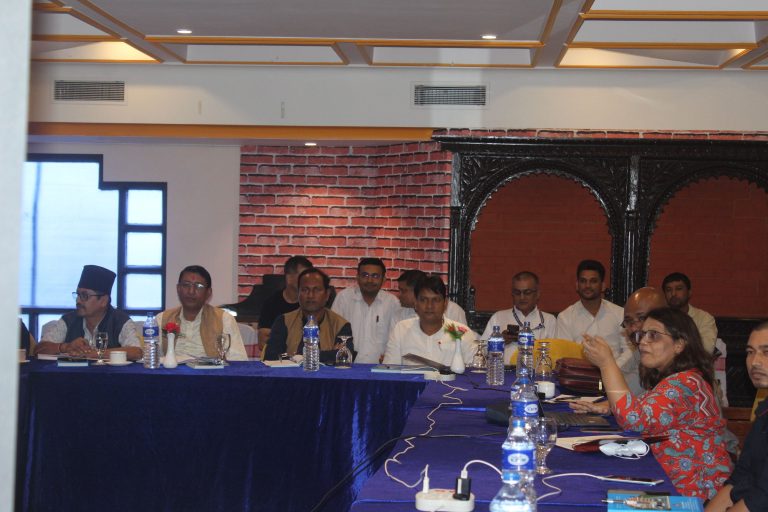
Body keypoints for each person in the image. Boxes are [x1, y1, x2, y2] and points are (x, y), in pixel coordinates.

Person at [580, 307, 731, 499]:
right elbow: (646, 411)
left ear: (679, 344)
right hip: (676, 483)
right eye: (642, 335)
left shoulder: (687, 383)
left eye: (653, 335)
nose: (643, 341)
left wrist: (606, 363)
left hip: (697, 495)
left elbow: (634, 420)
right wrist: (611, 408)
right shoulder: (678, 379)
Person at [706, 322, 768, 512]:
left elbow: (762, 498)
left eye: (766, 352)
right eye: (750, 352)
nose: (755, 361)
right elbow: (740, 478)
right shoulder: (764, 411)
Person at [36, 265, 142, 360]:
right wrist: (66, 347)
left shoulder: (120, 321)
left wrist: (95, 353)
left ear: (103, 301)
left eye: (84, 296)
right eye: (77, 295)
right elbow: (38, 349)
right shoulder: (68, 320)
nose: (78, 301)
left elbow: (136, 352)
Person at [557, 259, 632, 377]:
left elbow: (629, 350)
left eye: (593, 281)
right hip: (579, 378)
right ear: (577, 285)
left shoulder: (619, 313)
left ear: (603, 286)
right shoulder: (565, 317)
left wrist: (610, 369)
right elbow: (564, 355)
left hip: (617, 374)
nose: (587, 286)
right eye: (583, 281)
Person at [157, 265, 247, 361]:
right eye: (186, 285)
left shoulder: (224, 319)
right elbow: (152, 358)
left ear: (208, 292)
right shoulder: (162, 318)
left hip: (209, 370)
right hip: (173, 370)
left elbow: (238, 360)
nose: (191, 291)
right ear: (178, 289)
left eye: (199, 286)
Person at [264, 268, 353, 364]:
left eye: (316, 290)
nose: (310, 295)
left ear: (327, 294)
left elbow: (345, 357)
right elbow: (271, 357)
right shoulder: (284, 321)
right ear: (298, 293)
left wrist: (296, 356)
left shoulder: (340, 325)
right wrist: (328, 354)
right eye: (305, 290)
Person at [383, 275, 476, 366]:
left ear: (445, 304)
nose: (429, 306)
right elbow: (390, 370)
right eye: (423, 300)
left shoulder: (461, 333)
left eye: (436, 300)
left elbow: (473, 373)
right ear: (415, 303)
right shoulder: (401, 330)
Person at [331, 257, 399, 363]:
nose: (370, 280)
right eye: (365, 275)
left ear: (384, 279)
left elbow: (397, 338)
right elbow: (332, 331)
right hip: (348, 366)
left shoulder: (392, 303)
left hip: (381, 367)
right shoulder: (344, 298)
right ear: (357, 277)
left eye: (375, 276)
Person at [480, 271, 557, 364]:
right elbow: (481, 351)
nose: (522, 297)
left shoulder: (549, 320)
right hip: (502, 371)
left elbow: (556, 355)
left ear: (537, 294)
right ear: (512, 294)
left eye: (527, 292)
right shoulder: (498, 317)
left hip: (538, 371)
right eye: (517, 292)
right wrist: (498, 342)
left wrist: (532, 343)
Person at [257, 256, 313, 350]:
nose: (308, 281)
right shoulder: (271, 303)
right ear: (289, 277)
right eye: (303, 276)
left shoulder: (312, 303)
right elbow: (263, 341)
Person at [390, 269, 468, 332]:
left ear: (416, 291)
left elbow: (462, 339)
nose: (399, 295)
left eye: (403, 291)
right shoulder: (399, 315)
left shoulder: (453, 311)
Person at [662, 272, 717, 354]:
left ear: (689, 293)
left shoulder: (704, 318)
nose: (673, 294)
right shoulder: (659, 318)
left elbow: (706, 349)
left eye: (679, 289)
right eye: (668, 290)